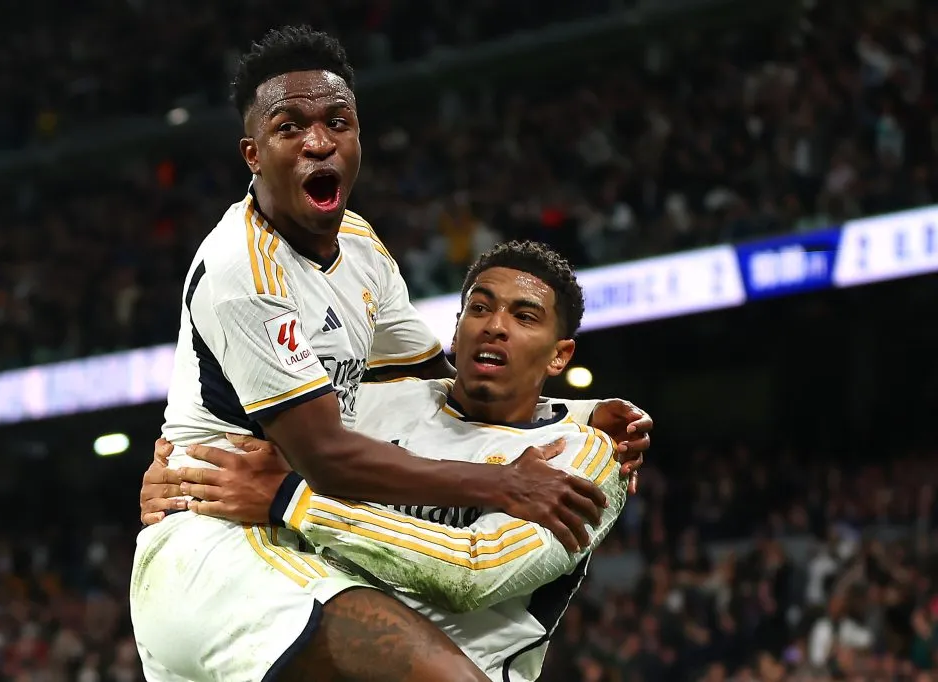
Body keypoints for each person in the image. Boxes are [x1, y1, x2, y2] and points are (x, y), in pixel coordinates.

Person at [133, 25, 653, 682]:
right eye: (290, 127)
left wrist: (582, 414)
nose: (318, 141)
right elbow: (324, 456)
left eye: (336, 122)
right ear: (253, 154)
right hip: (222, 551)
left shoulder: (582, 454)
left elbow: (430, 383)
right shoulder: (245, 272)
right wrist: (502, 482)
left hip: (275, 548)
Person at [136, 241, 631, 682]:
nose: (495, 326)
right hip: (320, 652)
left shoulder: (583, 456)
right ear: (456, 333)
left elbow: (477, 569)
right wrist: (176, 478)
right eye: (479, 308)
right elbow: (247, 465)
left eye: (524, 317)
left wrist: (293, 501)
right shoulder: (369, 405)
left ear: (559, 356)